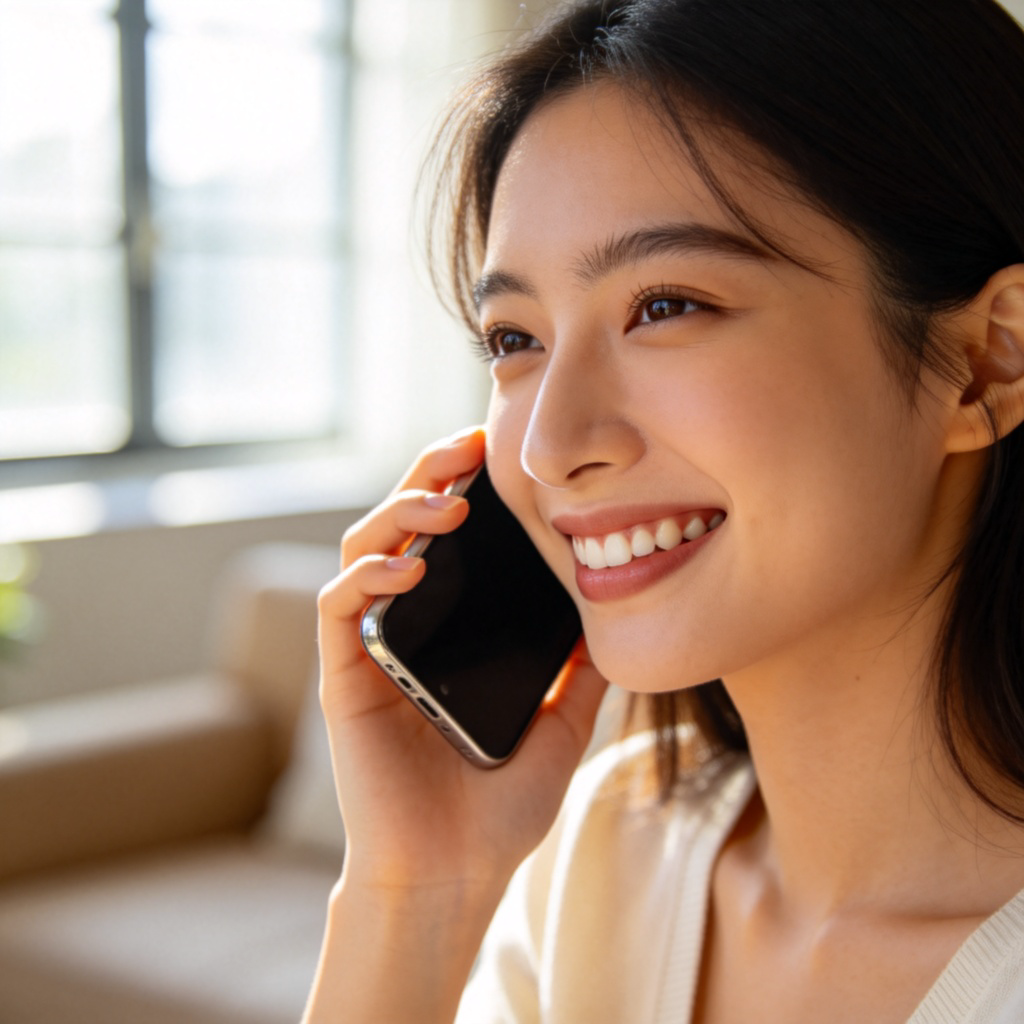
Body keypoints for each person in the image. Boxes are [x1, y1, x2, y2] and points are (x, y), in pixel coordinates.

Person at [303, 1, 1024, 1020]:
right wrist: (412, 896)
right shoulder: (607, 856)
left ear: (987, 360)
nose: (549, 446)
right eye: (514, 339)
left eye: (666, 306)